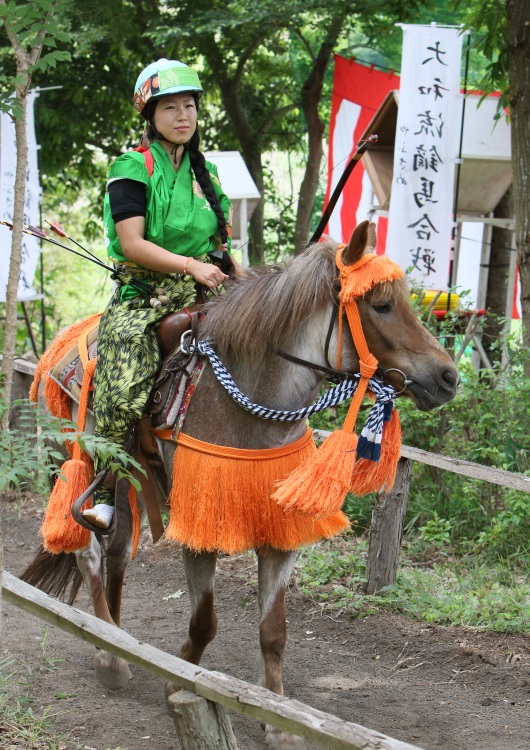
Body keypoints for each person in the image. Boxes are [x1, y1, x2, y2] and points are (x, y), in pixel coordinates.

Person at [82, 58, 238, 529]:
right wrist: (191, 265)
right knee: (126, 386)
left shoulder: (205, 170)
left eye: (189, 105)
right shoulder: (131, 167)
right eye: (170, 107)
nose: (183, 115)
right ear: (150, 115)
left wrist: (251, 285)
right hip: (143, 296)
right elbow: (132, 243)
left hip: (205, 288)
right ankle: (104, 489)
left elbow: (222, 248)